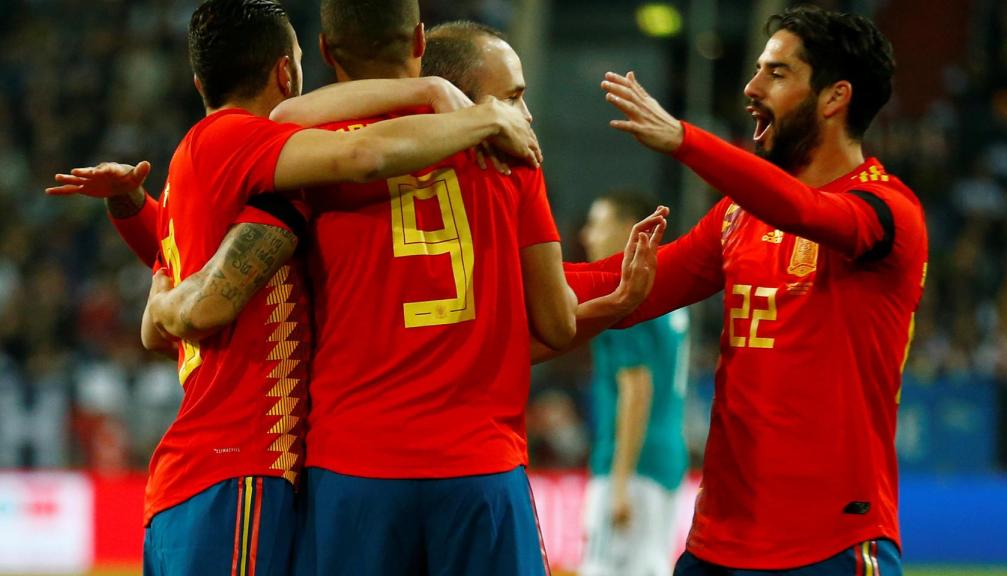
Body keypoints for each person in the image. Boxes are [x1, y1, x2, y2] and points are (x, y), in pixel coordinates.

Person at [46, 0, 542, 573]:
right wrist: (478, 114)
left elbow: (163, 317)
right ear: (287, 71)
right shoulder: (248, 145)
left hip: (191, 480)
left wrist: (134, 214)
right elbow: (361, 154)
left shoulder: (192, 161)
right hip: (243, 469)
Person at [269, 13, 662, 575]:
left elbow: (280, 117)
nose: (520, 114)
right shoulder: (511, 157)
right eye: (512, 98)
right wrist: (615, 305)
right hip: (477, 466)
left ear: (327, 50)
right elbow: (555, 324)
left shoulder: (309, 156)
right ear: (419, 41)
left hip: (354, 466)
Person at [573, 5, 928, 575]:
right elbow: (626, 284)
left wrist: (687, 140)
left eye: (777, 73)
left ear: (835, 98)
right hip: (718, 546)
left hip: (831, 543)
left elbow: (804, 209)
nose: (751, 87)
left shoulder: (889, 213)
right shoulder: (738, 216)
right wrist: (499, 271)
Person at [577, 192, 689, 576]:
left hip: (630, 465)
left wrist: (620, 480)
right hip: (665, 461)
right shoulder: (665, 286)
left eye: (598, 223)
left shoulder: (623, 294)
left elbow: (637, 388)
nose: (586, 235)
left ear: (629, 229)